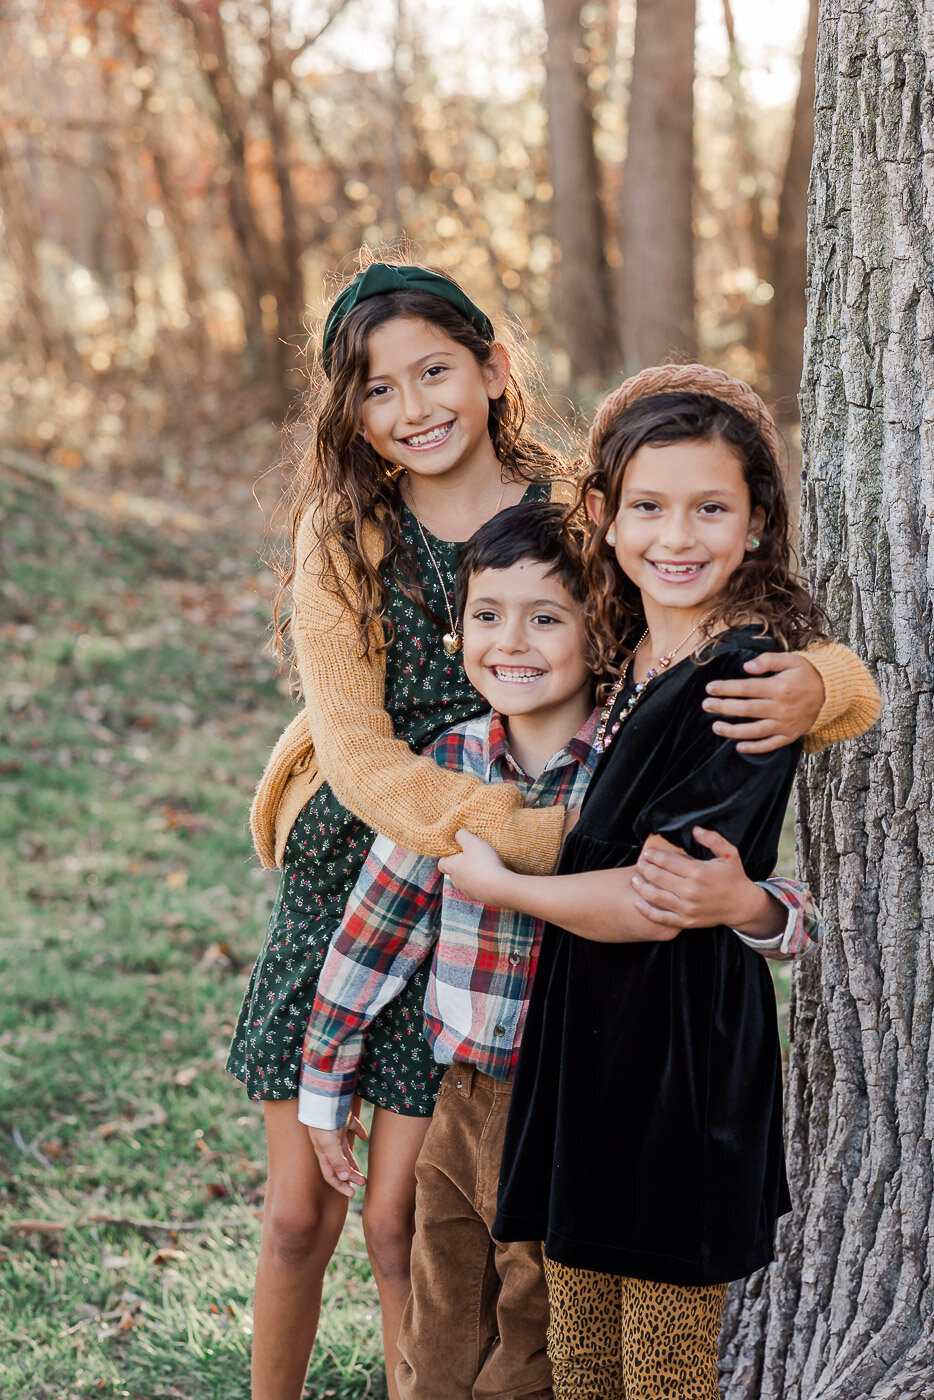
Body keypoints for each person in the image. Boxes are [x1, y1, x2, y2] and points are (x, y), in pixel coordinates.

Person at [230, 257, 876, 1400]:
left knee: (414, 1210)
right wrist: (533, 840)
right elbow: (363, 756)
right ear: (348, 410)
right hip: (384, 856)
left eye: (436, 370)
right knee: (302, 1210)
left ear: (492, 368)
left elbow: (694, 599)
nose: (414, 406)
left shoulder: (574, 505)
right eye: (378, 388)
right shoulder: (343, 537)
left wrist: (823, 683)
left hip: (523, 901)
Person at [297, 501, 825, 1400]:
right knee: (438, 1329)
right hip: (458, 1101)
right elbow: (376, 930)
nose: (513, 642)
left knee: (531, 1348)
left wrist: (761, 909)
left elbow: (713, 889)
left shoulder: (617, 766)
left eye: (546, 618)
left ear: (600, 632)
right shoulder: (446, 768)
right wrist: (324, 1081)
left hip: (570, 1103)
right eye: (487, 616)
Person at [437, 365, 881, 1400]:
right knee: (583, 1349)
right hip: (583, 1043)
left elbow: (655, 898)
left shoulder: (747, 680)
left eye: (710, 507)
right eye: (647, 506)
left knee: (663, 1366)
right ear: (601, 512)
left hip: (677, 1057)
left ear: (758, 522)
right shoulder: (625, 645)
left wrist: (508, 889)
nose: (674, 535)